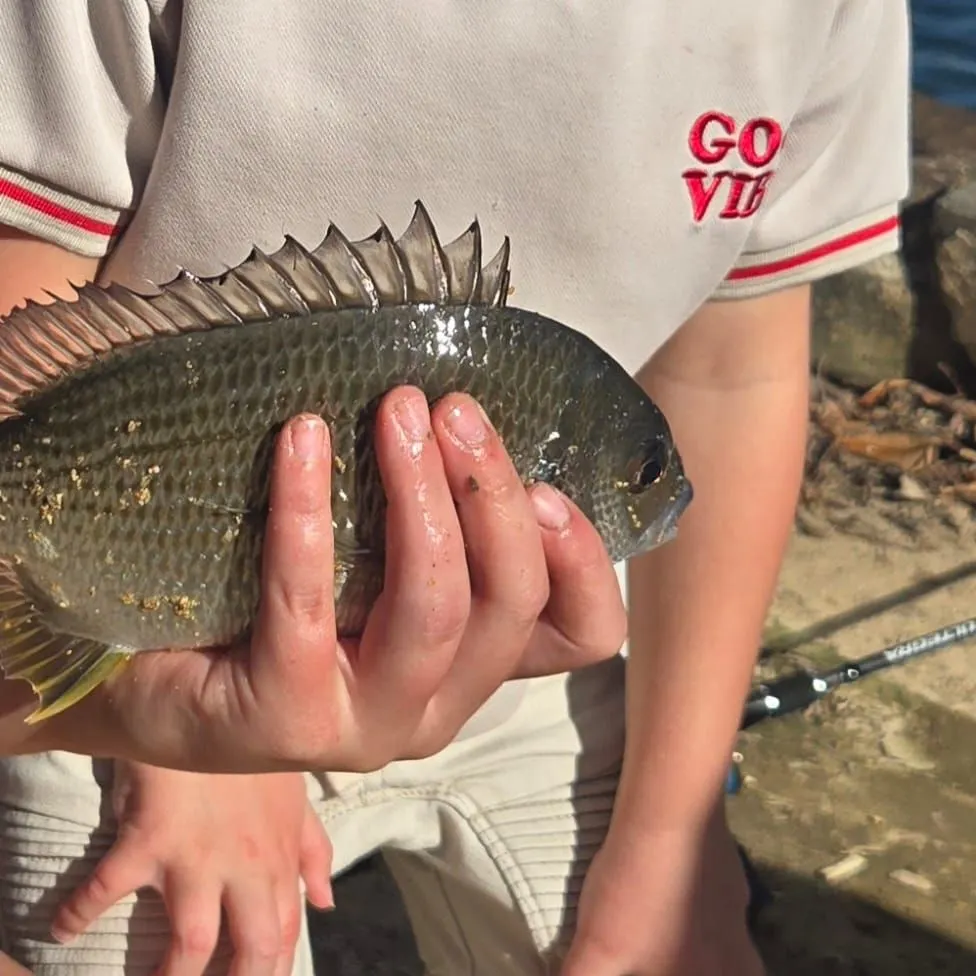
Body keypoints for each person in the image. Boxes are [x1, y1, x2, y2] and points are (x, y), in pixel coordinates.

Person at [0, 0, 910, 974]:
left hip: (544, 680)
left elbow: (734, 369)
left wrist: (672, 831)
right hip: (139, 655)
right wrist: (168, 726)